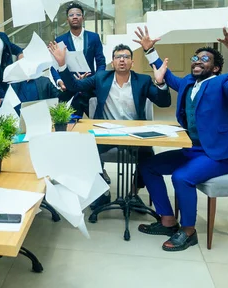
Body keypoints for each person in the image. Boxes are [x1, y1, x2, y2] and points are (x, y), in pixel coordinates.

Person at [133, 20, 228, 252]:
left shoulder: (223, 83)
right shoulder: (187, 82)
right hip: (191, 150)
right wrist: (148, 50)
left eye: (204, 59)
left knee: (181, 177)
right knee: (148, 166)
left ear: (215, 68)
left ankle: (188, 231)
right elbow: (167, 75)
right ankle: (167, 220)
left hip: (216, 155)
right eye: (195, 58)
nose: (197, 61)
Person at [49, 41, 171, 209]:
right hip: (105, 134)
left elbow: (164, 102)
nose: (122, 60)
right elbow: (75, 86)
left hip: (134, 134)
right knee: (87, 151)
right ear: (112, 62)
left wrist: (160, 83)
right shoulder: (101, 78)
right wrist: (62, 65)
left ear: (132, 62)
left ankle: (133, 193)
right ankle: (103, 192)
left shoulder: (142, 80)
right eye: (118, 57)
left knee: (147, 155)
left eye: (126, 57)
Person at [51, 2, 106, 117]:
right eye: (71, 15)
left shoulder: (94, 37)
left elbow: (101, 62)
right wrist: (60, 81)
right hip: (69, 88)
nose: (75, 17)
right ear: (67, 19)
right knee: (69, 124)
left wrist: (96, 79)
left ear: (83, 18)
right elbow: (54, 65)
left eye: (78, 14)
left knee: (98, 121)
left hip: (90, 87)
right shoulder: (60, 40)